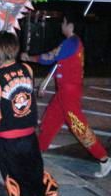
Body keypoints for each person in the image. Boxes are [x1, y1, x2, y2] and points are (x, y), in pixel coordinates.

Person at [0, 31, 63, 196]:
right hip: (29, 134)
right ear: (15, 48)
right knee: (35, 170)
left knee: (16, 180)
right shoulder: (27, 69)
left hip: (8, 139)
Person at [21, 14, 111, 178]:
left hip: (69, 92)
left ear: (69, 25)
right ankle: (37, 153)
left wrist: (30, 57)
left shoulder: (72, 42)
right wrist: (45, 84)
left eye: (63, 22)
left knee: (78, 125)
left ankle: (104, 158)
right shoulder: (71, 43)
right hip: (64, 91)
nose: (61, 25)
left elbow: (51, 57)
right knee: (50, 120)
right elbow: (58, 64)